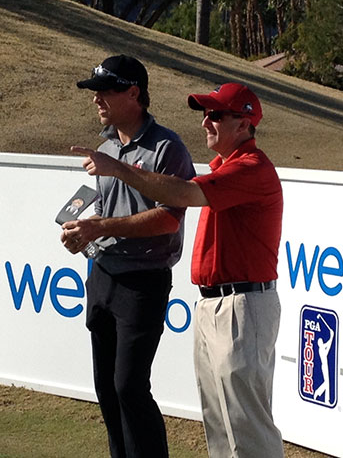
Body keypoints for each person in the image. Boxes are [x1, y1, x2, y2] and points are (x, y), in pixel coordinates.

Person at [71, 82, 284, 458]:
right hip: (217, 304)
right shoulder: (224, 167)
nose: (206, 123)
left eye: (217, 115)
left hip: (241, 305)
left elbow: (182, 196)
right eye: (205, 114)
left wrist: (118, 168)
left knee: (246, 427)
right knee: (221, 425)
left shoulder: (251, 167)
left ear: (245, 123)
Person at [60, 54, 196, 458]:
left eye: (107, 90)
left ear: (134, 93)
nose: (97, 98)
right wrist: (83, 232)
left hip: (143, 281)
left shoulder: (166, 147)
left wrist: (101, 228)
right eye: (95, 91)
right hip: (102, 274)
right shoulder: (105, 146)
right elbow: (103, 209)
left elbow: (169, 219)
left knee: (129, 387)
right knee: (106, 388)